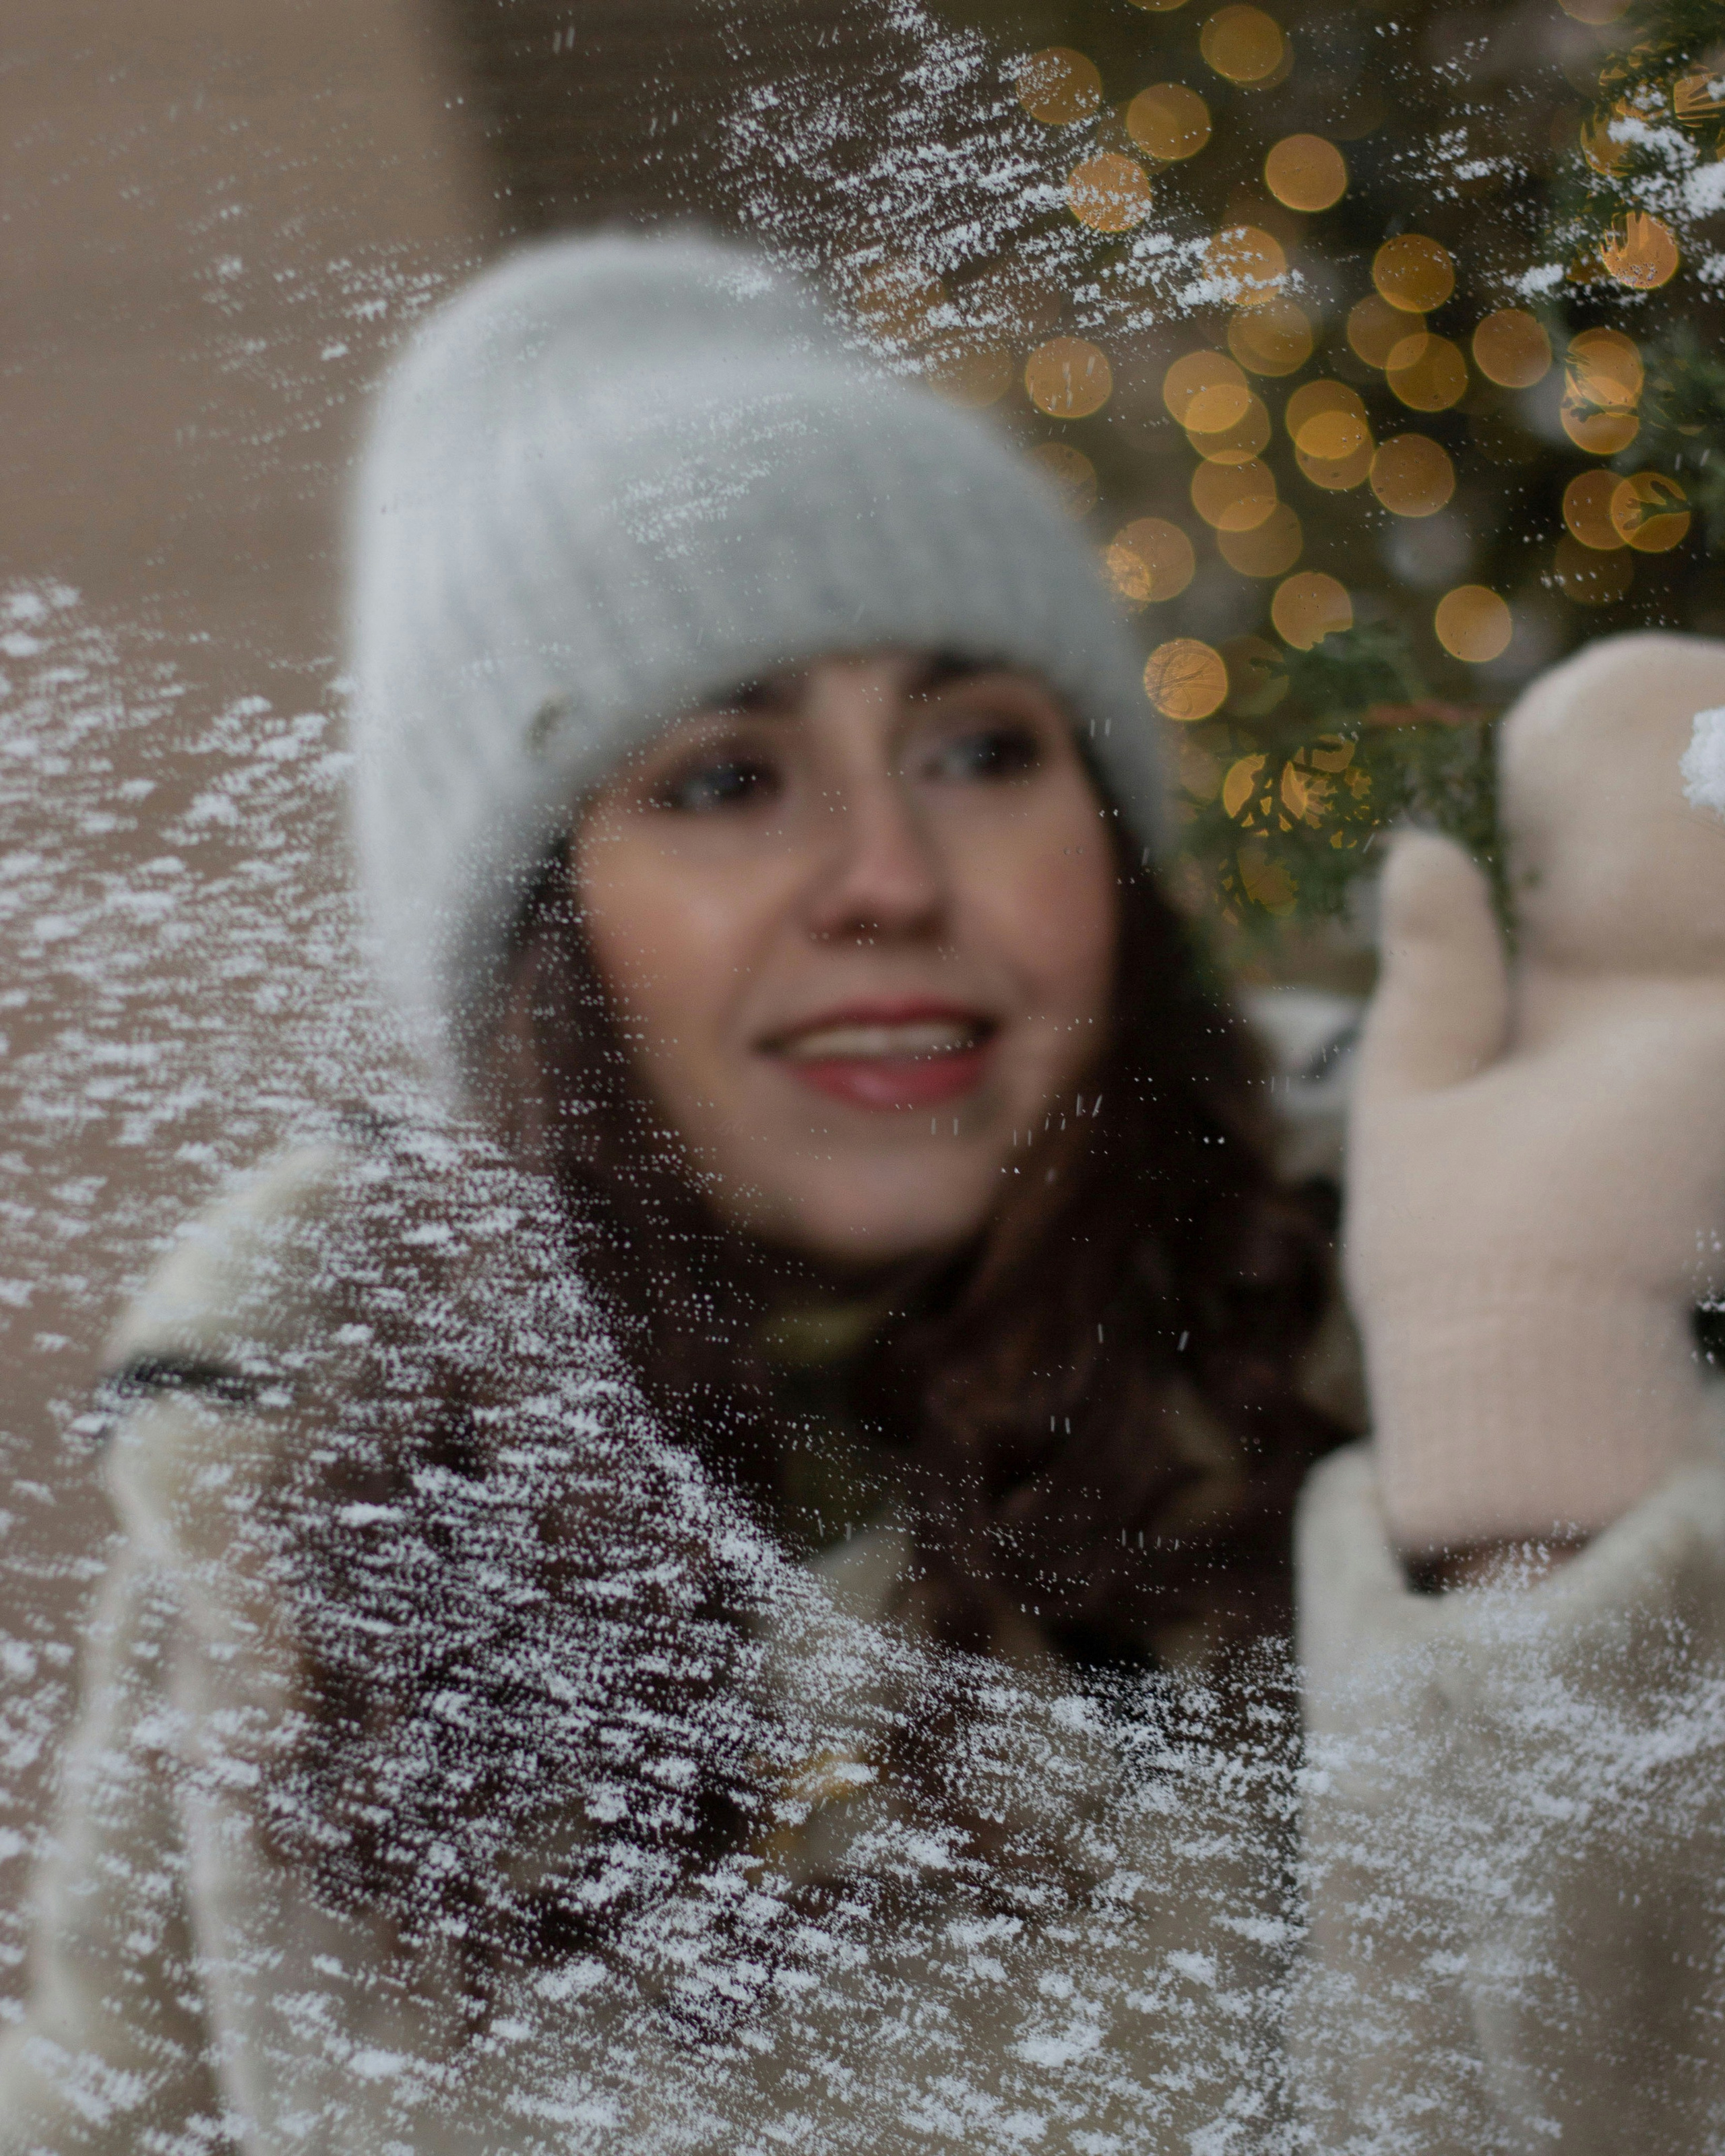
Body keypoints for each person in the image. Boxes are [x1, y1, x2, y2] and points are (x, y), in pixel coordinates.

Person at [3, 230, 1724, 2154]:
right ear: (539, 945)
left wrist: (1545, 1480)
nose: (890, 874)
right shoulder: (309, 1501)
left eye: (982, 748)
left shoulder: (1437, 1322)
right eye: (730, 780)